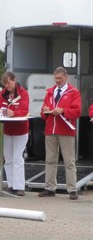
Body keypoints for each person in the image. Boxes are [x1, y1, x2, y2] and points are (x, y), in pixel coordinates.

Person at [39, 67, 81, 200]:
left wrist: (63, 110)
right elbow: (43, 112)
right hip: (51, 130)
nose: (58, 81)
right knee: (50, 160)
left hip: (66, 131)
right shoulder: (50, 92)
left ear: (66, 77)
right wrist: (45, 111)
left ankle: (72, 189)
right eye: (56, 78)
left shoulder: (73, 92)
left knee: (69, 161)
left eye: (60, 79)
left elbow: (77, 111)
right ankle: (50, 187)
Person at [0, 71, 29, 196]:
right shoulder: (2, 94)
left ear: (14, 80)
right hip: (7, 130)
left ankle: (20, 186)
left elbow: (24, 110)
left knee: (17, 158)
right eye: (5, 84)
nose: (7, 86)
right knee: (8, 159)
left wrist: (13, 113)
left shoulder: (23, 94)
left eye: (9, 83)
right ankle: (11, 185)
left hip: (20, 131)